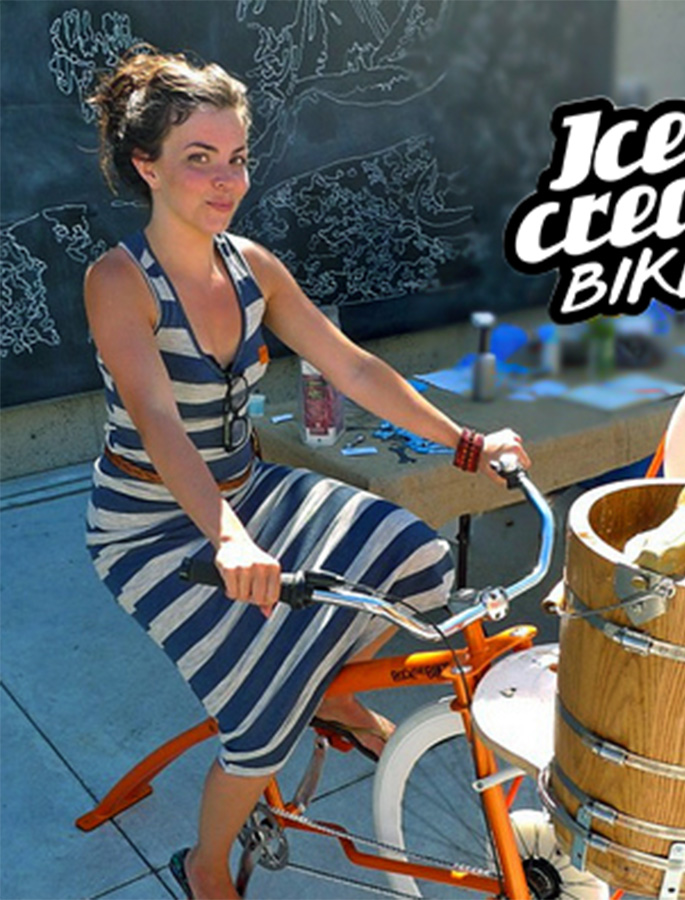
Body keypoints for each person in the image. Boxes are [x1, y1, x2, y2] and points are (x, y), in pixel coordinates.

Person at [84, 47, 530, 900]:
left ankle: (323, 689)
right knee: (257, 729)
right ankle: (207, 865)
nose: (227, 181)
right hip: (152, 526)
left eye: (238, 157)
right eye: (199, 160)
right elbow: (159, 424)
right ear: (147, 166)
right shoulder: (119, 282)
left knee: (419, 561)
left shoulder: (252, 265)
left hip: (247, 497)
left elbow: (355, 369)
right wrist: (230, 540)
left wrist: (467, 441)